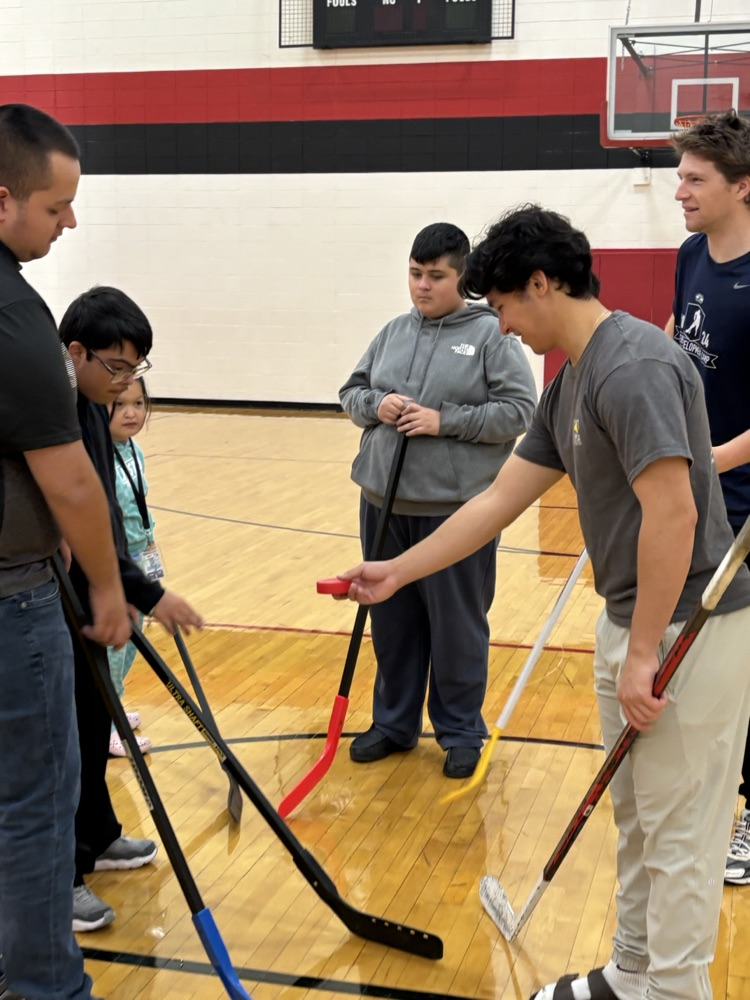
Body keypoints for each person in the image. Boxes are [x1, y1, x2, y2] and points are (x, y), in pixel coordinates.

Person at [338, 205, 750, 1000]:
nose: (501, 326)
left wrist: (643, 653)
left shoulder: (632, 367)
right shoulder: (572, 383)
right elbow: (498, 501)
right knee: (638, 815)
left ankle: (674, 989)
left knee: (680, 835)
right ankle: (634, 970)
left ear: (540, 284)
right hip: (635, 621)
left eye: (501, 307)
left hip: (686, 632)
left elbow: (673, 514)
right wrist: (397, 571)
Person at [0, 103, 130, 1000]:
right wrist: (111, 593)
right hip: (14, 599)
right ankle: (48, 986)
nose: (70, 222)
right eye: (56, 207)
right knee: (37, 803)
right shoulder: (15, 315)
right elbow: (74, 483)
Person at [339, 222, 536, 779]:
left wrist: (444, 421)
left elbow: (519, 410)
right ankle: (393, 723)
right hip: (383, 504)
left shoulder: (492, 335)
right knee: (392, 623)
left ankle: (461, 731)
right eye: (414, 274)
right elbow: (351, 392)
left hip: (456, 512)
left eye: (436, 276)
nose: (422, 286)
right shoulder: (392, 332)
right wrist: (376, 405)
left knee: (457, 627)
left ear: (462, 278)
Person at [59, 285, 204, 932]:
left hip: (96, 590)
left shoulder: (93, 408)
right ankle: (61, 874)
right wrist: (143, 593)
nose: (125, 383)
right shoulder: (57, 413)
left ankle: (97, 835)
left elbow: (105, 522)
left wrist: (136, 590)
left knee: (96, 717)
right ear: (76, 353)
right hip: (56, 596)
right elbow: (71, 515)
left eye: (135, 369)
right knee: (60, 740)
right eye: (116, 367)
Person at [666, 110, 750, 887]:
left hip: (743, 498)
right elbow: (676, 339)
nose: (679, 191)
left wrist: (715, 461)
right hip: (700, 491)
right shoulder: (692, 254)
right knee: (710, 656)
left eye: (695, 179)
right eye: (680, 176)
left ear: (742, 185)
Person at [108, 377, 158, 757]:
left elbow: (140, 506)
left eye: (138, 404)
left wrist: (152, 549)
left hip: (140, 559)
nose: (131, 412)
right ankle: (105, 723)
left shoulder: (134, 450)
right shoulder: (99, 456)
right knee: (114, 646)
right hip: (115, 564)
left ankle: (114, 704)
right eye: (121, 404)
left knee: (131, 646)